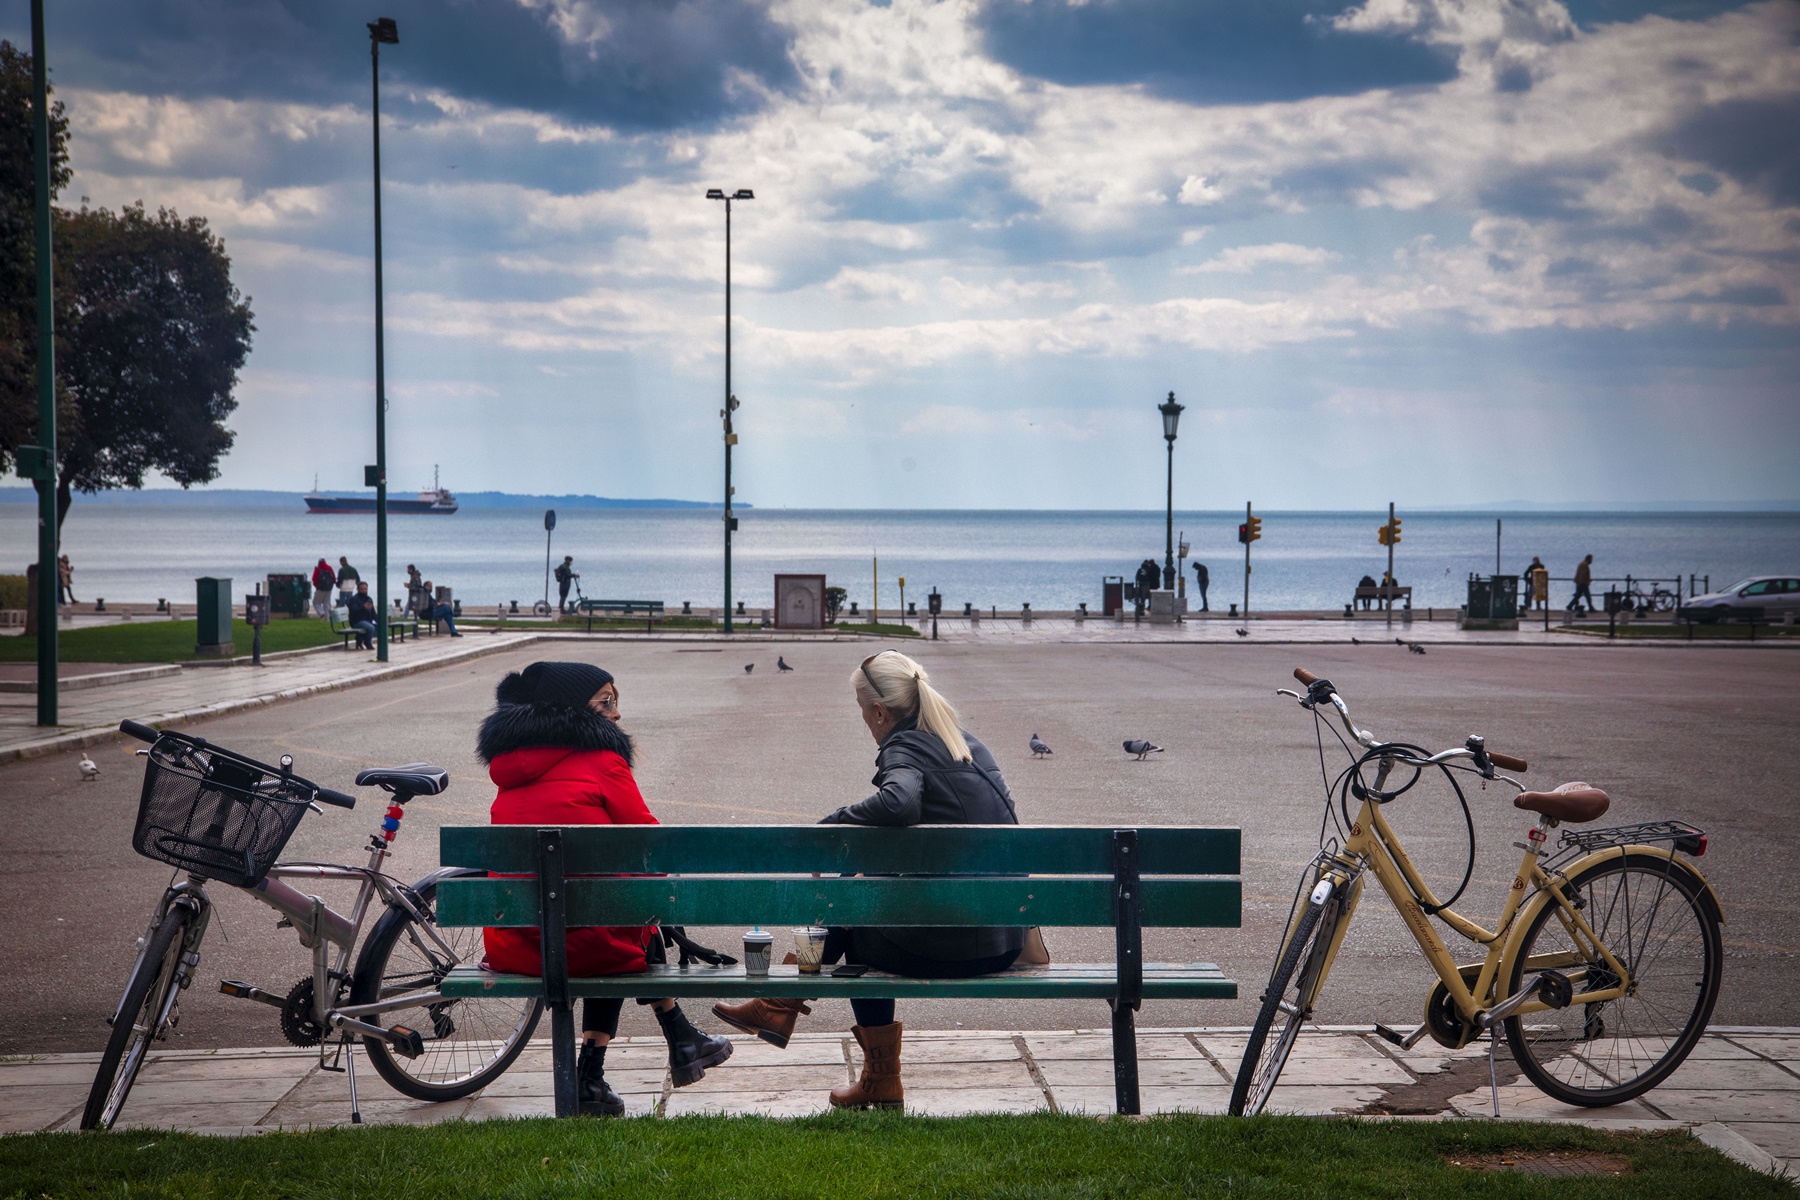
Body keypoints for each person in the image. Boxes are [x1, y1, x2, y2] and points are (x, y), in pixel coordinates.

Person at [712, 650, 1024, 1111]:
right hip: (1003, 942)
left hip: (950, 950)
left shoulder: (907, 747)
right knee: (856, 883)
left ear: (879, 711)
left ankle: (865, 1067)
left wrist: (836, 822)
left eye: (863, 711)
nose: (865, 722)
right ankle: (780, 1003)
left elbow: (899, 804)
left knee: (855, 916)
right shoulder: (966, 744)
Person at [478, 661, 734, 1116]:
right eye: (606, 702)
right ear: (575, 710)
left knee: (601, 916)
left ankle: (677, 1043)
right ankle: (603, 1070)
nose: (616, 714)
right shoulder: (603, 762)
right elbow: (649, 846)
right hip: (585, 943)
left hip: (515, 943)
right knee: (617, 919)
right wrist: (651, 899)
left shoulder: (507, 771)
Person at [345, 580, 379, 651]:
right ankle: (367, 643)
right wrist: (363, 608)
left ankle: (361, 637)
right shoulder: (353, 599)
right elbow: (353, 611)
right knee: (371, 628)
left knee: (379, 628)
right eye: (362, 589)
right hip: (357, 621)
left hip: (367, 621)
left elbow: (373, 613)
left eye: (365, 589)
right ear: (358, 589)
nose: (364, 591)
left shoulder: (368, 599)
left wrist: (378, 621)